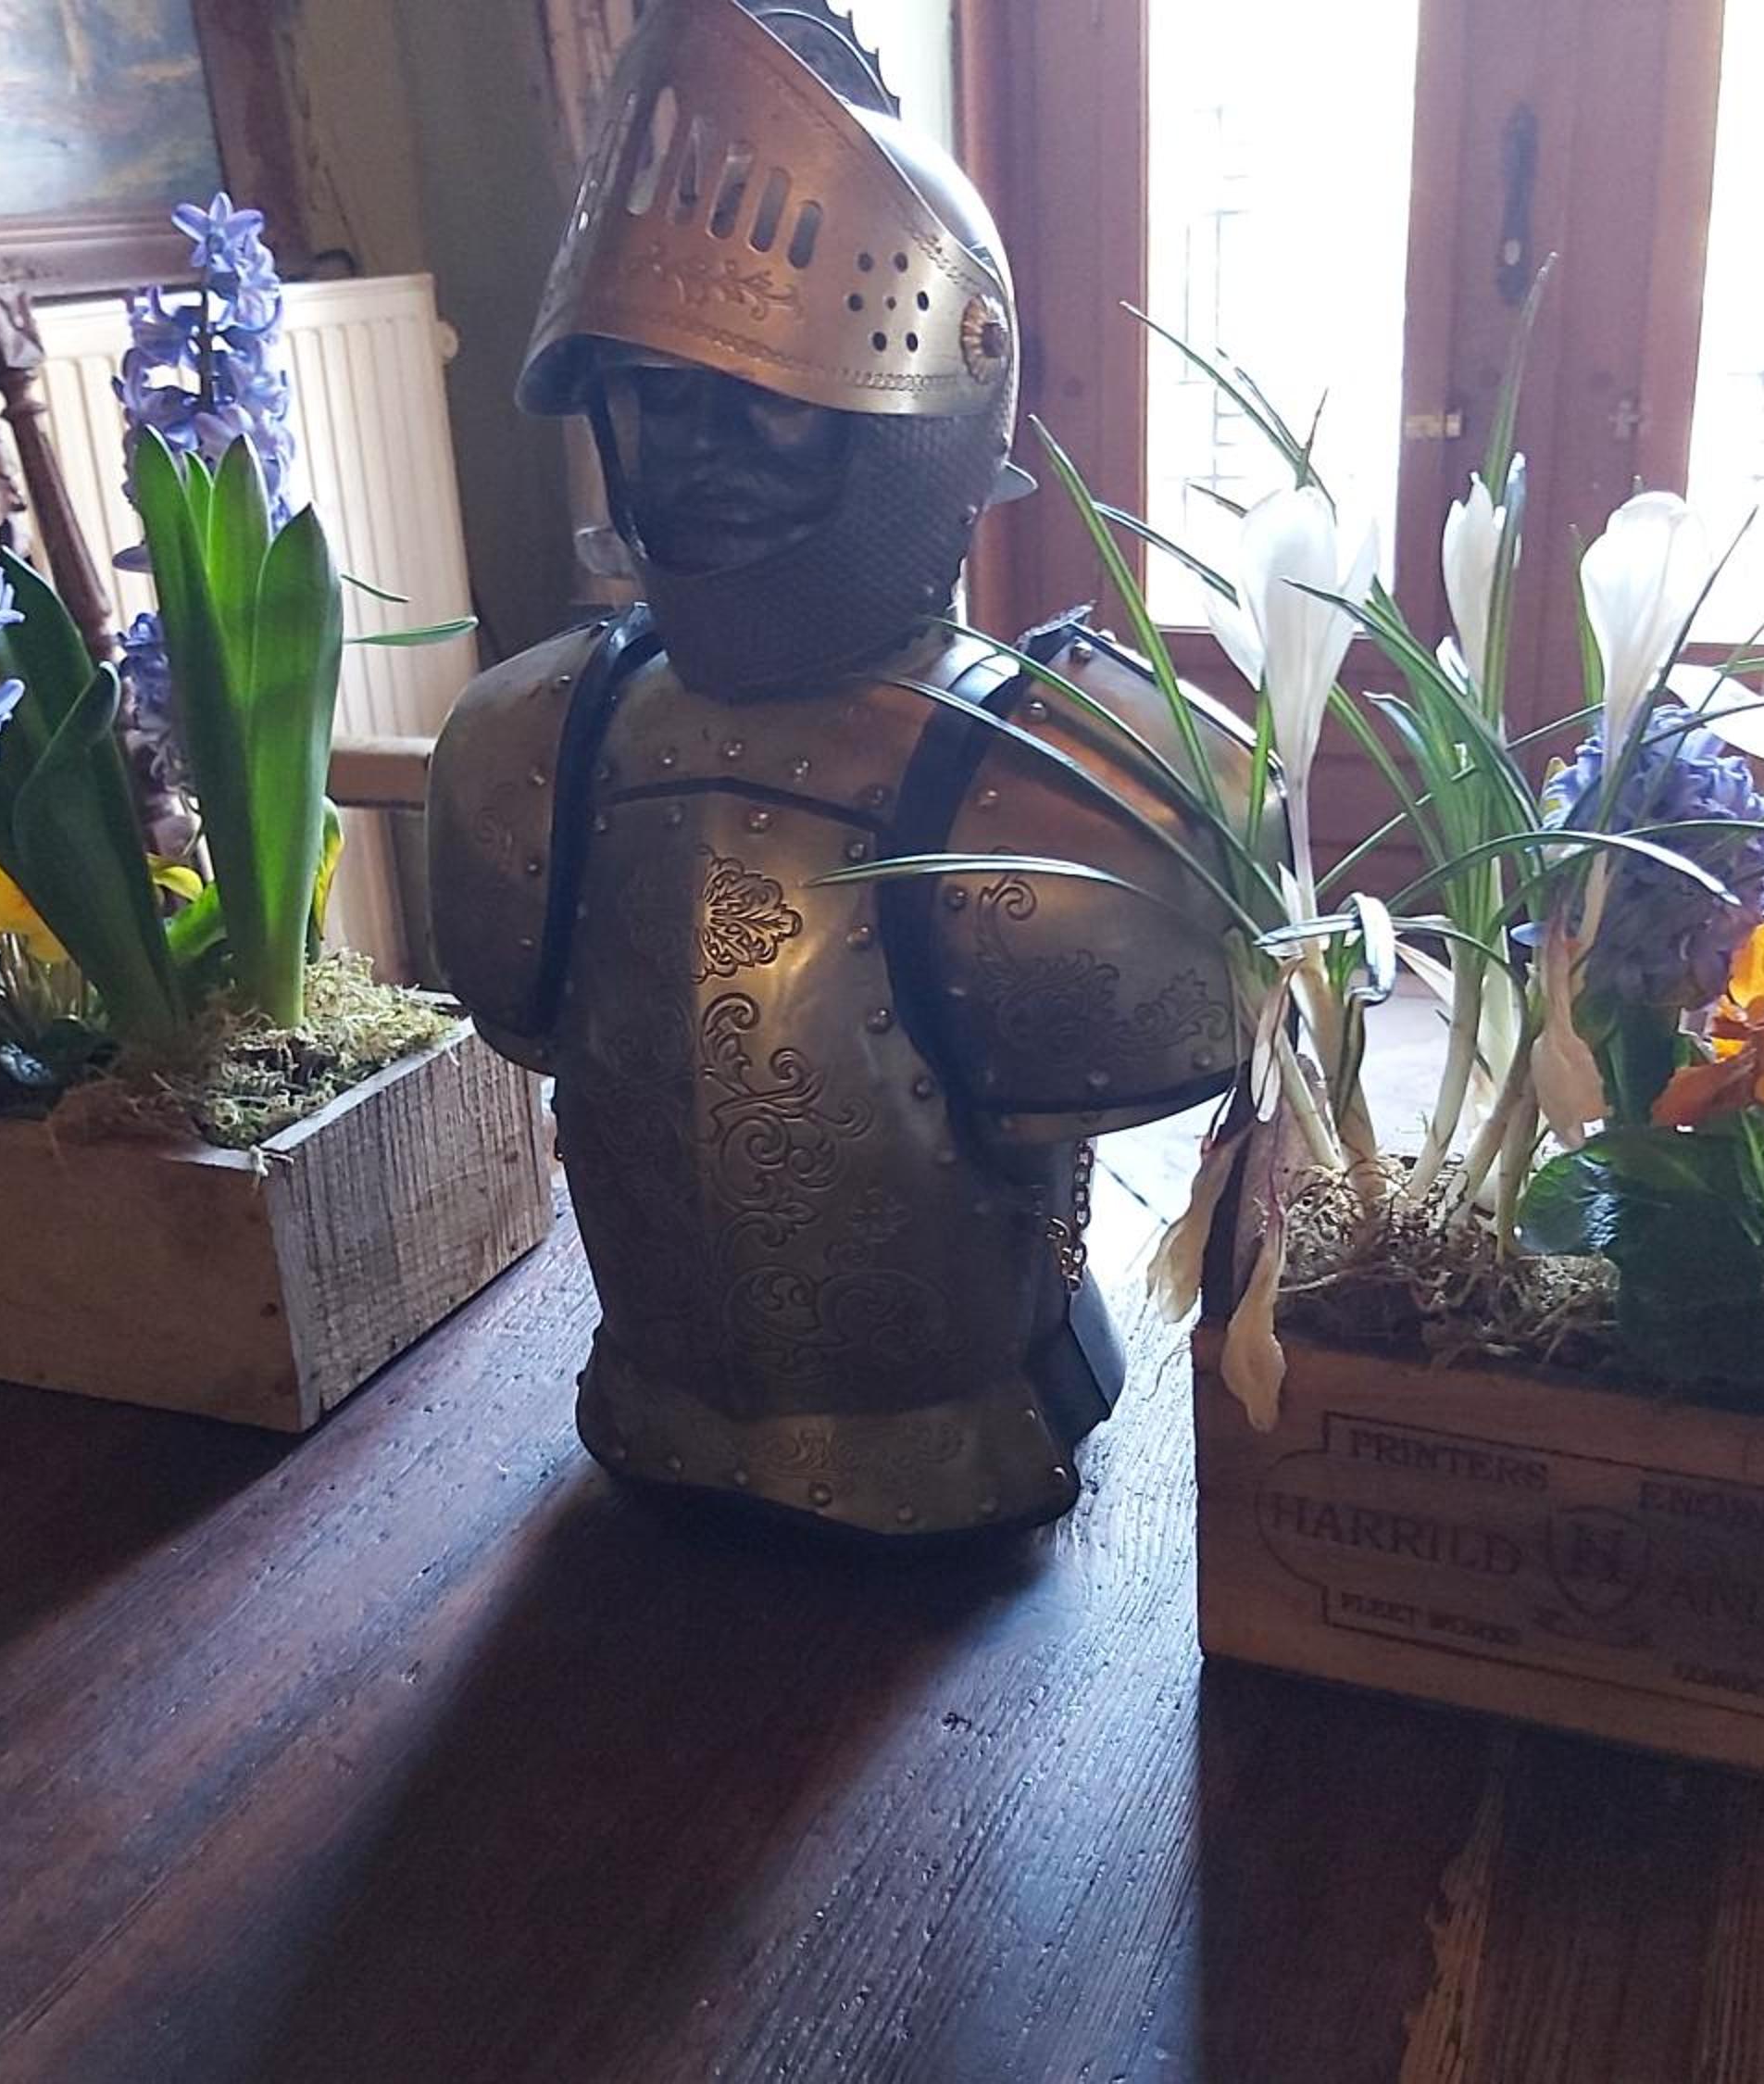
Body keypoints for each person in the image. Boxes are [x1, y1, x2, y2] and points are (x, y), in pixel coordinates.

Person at [429, 0, 1264, 1535]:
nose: (693, 451)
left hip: (968, 1452)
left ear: (923, 405)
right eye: (653, 392)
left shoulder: (1089, 781)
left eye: (764, 395)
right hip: (645, 1419)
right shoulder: (524, 742)